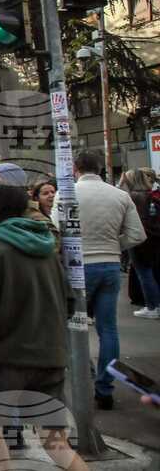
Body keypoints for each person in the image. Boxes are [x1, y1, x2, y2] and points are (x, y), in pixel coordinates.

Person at [0, 182, 89, 471]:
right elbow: (68, 299)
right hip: (50, 356)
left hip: (3, 358)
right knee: (55, 441)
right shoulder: (45, 247)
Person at [53, 151, 146, 409]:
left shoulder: (65, 194)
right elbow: (137, 235)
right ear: (100, 169)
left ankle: (86, 376)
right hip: (110, 264)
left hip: (77, 266)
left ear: (76, 169)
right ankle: (105, 387)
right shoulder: (120, 195)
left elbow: (56, 231)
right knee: (108, 328)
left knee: (74, 325)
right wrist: (115, 246)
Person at [119, 169, 160, 319]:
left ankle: (152, 306)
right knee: (151, 273)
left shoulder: (134, 197)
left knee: (144, 274)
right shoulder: (150, 195)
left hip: (140, 242)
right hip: (153, 241)